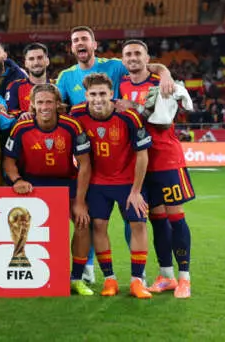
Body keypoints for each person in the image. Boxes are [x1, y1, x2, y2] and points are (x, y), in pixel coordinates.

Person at [2, 84, 94, 296]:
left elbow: (85, 164)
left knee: (82, 223)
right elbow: (8, 161)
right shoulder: (21, 127)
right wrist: (16, 180)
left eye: (49, 102)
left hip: (65, 181)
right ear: (32, 105)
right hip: (33, 184)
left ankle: (77, 279)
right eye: (40, 102)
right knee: (24, 228)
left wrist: (80, 202)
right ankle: (34, 275)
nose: (45, 107)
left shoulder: (71, 126)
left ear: (57, 104)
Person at [119, 40, 194, 298]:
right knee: (157, 220)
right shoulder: (120, 83)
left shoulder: (161, 82)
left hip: (165, 159)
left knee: (176, 217)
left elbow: (162, 123)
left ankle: (185, 277)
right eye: (128, 54)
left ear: (147, 57)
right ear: (122, 59)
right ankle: (166, 275)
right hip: (139, 163)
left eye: (137, 53)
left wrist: (164, 73)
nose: (133, 58)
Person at [69, 73, 153, 299]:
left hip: (128, 182)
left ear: (111, 94)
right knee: (98, 226)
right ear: (86, 95)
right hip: (97, 183)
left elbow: (143, 155)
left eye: (103, 94)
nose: (98, 99)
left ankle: (137, 281)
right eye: (93, 94)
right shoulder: (76, 115)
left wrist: (136, 191)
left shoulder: (129, 116)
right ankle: (110, 280)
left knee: (138, 225)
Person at [56, 26, 174, 107]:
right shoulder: (65, 76)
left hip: (115, 131)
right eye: (75, 40)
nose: (80, 42)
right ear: (72, 48)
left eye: (84, 39)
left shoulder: (115, 65)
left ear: (94, 45)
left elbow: (143, 67)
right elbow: (56, 102)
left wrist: (165, 73)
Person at [4, 43, 51, 117]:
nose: (36, 63)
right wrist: (22, 114)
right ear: (26, 63)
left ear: (47, 61)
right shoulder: (14, 86)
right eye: (31, 59)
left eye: (40, 58)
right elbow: (9, 111)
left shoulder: (57, 85)